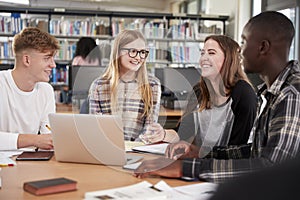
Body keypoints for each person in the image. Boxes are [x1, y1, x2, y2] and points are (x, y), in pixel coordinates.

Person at [134, 11, 300, 183]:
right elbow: (255, 153)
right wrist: (197, 152)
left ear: (263, 47)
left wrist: (186, 168)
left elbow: (271, 167)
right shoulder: (272, 93)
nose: (240, 51)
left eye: (243, 41)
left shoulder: (291, 95)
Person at [141, 35, 257, 161]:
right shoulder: (199, 91)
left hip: (225, 169)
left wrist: (199, 153)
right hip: (201, 163)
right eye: (202, 53)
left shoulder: (244, 93)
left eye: (211, 53)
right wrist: (162, 134)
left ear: (229, 59)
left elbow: (237, 152)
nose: (204, 58)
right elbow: (184, 134)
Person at [89, 29, 161, 141]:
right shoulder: (99, 85)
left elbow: (149, 128)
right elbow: (95, 127)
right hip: (107, 148)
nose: (138, 57)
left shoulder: (152, 85)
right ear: (118, 52)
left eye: (142, 52)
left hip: (139, 149)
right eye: (133, 51)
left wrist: (132, 149)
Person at [0, 27, 60, 150]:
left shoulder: (46, 90)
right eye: (47, 58)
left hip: (32, 163)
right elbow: (40, 140)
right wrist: (34, 140)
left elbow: (47, 139)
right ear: (27, 60)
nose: (53, 65)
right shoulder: (2, 84)